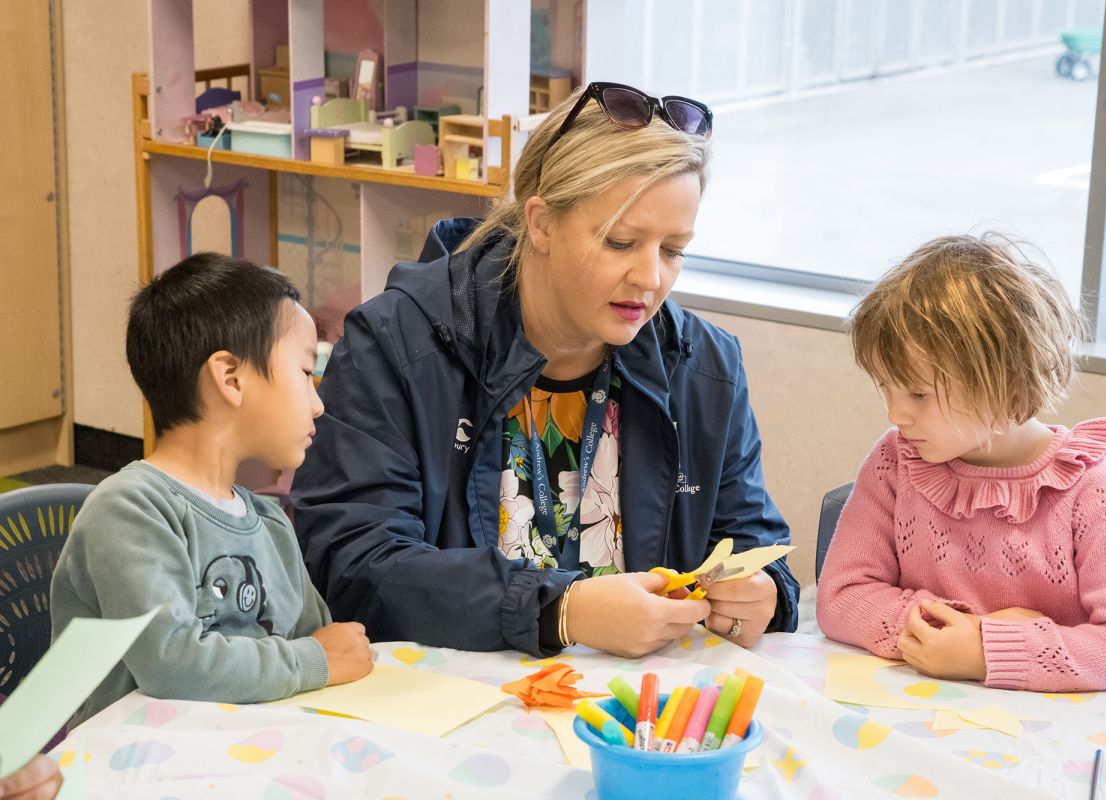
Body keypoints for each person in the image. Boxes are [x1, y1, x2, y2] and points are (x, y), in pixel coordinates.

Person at [291, 82, 800, 658]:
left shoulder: (705, 366)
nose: (650, 278)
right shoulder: (396, 345)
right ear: (540, 224)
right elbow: (351, 564)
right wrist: (562, 611)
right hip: (448, 710)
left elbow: (756, 545)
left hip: (639, 713)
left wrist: (765, 595)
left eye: (673, 249)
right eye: (621, 242)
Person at [816, 233, 1106, 692]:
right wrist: (962, 635)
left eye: (919, 394)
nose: (895, 415)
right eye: (886, 387)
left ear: (1005, 381)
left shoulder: (1092, 488)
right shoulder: (895, 460)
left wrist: (988, 651)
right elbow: (840, 598)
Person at [50, 254, 373, 725]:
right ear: (230, 378)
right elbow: (172, 664)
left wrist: (330, 656)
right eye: (306, 373)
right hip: (138, 766)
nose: (318, 403)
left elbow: (319, 640)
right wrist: (314, 661)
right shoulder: (130, 510)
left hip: (250, 750)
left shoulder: (268, 521)